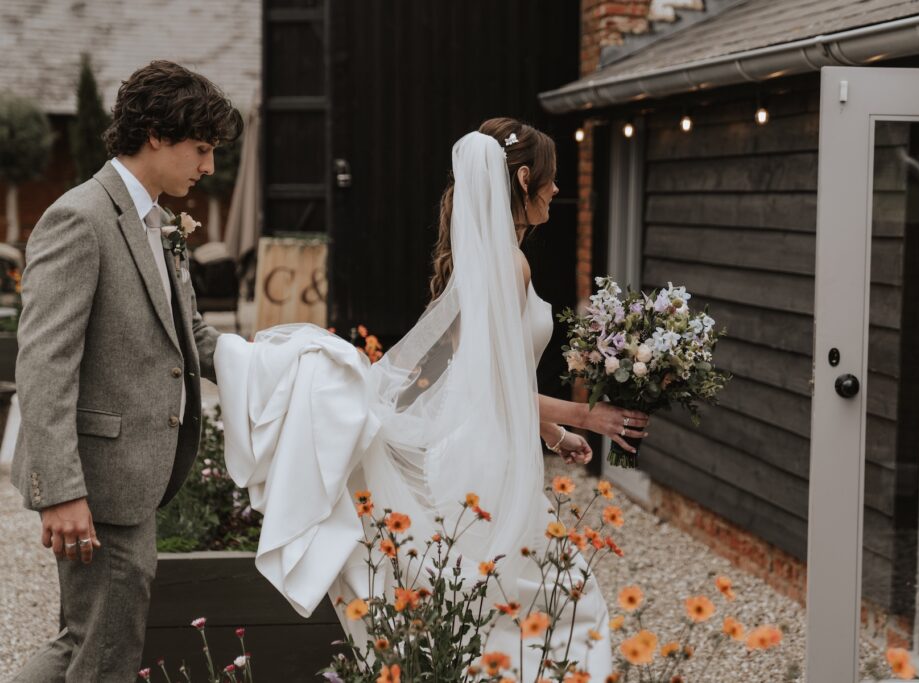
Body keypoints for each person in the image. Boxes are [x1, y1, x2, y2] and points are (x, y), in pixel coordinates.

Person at [213, 118, 648, 680]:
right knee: (560, 599)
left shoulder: (488, 260)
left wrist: (552, 433)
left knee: (505, 599)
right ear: (522, 179)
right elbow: (498, 384)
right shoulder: (508, 266)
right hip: (490, 455)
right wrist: (590, 417)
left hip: (492, 444)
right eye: (551, 179)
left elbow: (494, 374)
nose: (558, 190)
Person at [10, 61, 242, 682]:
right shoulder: (80, 218)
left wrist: (277, 363)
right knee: (103, 651)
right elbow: (43, 362)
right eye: (202, 148)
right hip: (97, 480)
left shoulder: (158, 221)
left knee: (87, 643)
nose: (210, 167)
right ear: (157, 134)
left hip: (129, 477)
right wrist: (60, 492)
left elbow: (187, 335)